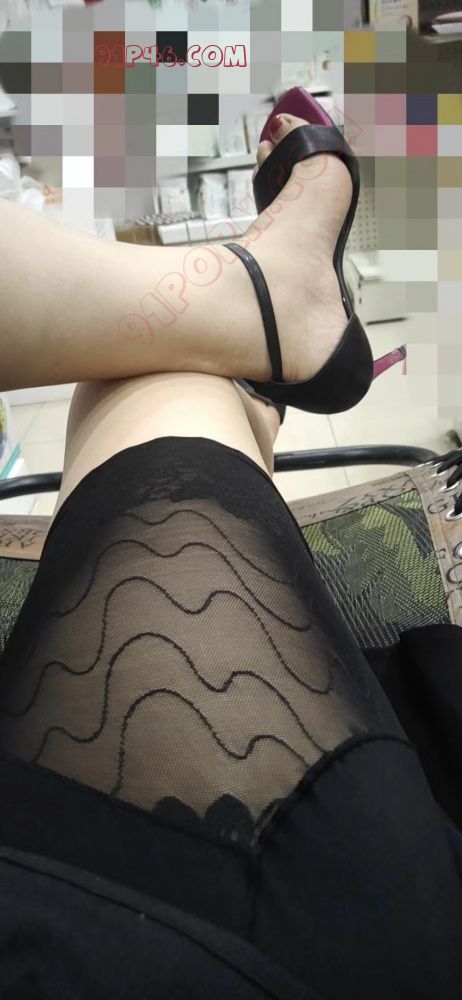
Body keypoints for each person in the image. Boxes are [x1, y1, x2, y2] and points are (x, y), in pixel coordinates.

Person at [0, 112, 461, 999]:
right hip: (283, 916)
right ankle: (255, 319)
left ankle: (255, 327)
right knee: (166, 371)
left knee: (154, 366)